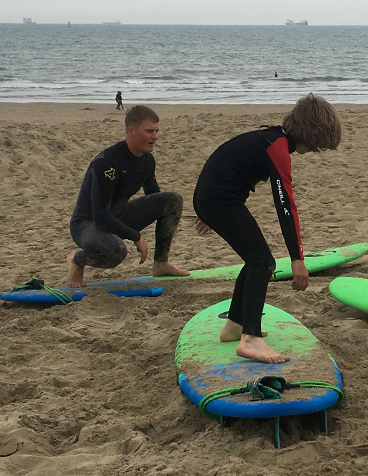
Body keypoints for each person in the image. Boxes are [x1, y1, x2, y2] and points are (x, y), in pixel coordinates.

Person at [193, 93, 342, 363]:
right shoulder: (278, 148)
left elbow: (233, 168)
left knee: (255, 260)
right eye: (321, 144)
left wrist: (207, 207)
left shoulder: (272, 139)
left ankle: (235, 325)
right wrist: (298, 259)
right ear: (313, 132)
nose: (318, 151)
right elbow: (286, 206)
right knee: (262, 262)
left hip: (214, 198)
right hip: (218, 200)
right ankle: (250, 339)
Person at [66, 105, 189, 288]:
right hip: (88, 224)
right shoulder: (107, 163)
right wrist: (135, 237)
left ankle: (161, 263)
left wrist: (173, 214)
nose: (155, 136)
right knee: (116, 252)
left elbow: (154, 196)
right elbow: (100, 216)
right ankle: (77, 259)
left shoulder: (147, 159)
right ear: (131, 131)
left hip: (117, 216)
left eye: (156, 131)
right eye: (149, 131)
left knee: (173, 200)